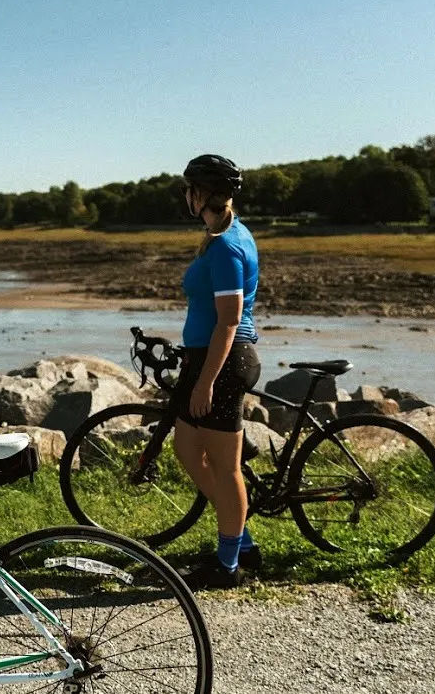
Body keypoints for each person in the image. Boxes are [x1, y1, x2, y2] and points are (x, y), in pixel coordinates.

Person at [170, 153, 263, 589]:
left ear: (201, 194)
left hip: (222, 364)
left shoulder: (227, 246)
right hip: (204, 359)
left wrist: (206, 380)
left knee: (227, 470)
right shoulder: (220, 236)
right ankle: (238, 537)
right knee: (187, 448)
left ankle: (229, 564)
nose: (185, 197)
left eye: (189, 190)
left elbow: (229, 320)